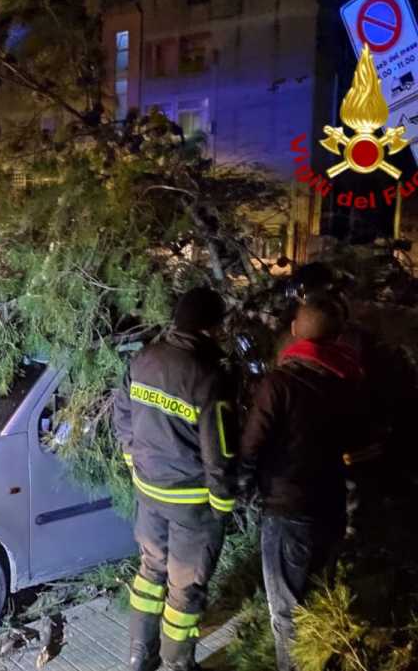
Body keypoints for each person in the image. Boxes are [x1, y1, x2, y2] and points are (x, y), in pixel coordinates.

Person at [113, 287, 237, 671]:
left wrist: (134, 461)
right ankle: (178, 663)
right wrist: (222, 505)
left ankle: (139, 656)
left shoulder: (144, 359)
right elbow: (219, 451)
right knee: (185, 587)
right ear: (210, 328)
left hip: (148, 493)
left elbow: (123, 415)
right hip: (191, 504)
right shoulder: (209, 377)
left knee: (150, 572)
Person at [238, 296, 363, 671]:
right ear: (337, 337)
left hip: (287, 511)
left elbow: (250, 446)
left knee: (288, 613)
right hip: (331, 509)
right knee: (320, 601)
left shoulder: (279, 384)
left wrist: (242, 489)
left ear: (294, 331)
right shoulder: (348, 383)